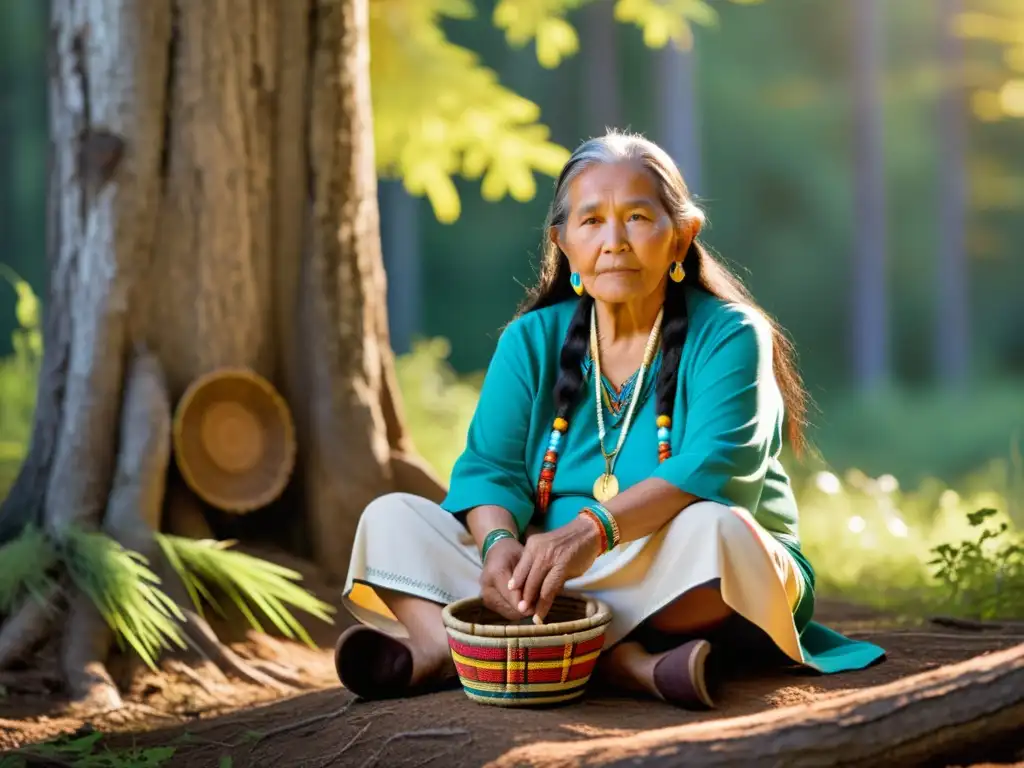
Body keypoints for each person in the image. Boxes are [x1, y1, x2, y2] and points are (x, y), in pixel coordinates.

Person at [334, 130, 885, 709]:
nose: (614, 241)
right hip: (542, 574)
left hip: (678, 576)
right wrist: (499, 546)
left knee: (719, 533)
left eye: (638, 218)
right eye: (592, 221)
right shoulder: (531, 339)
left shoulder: (731, 333)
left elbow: (715, 462)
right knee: (390, 518)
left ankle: (515, 646)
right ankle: (475, 649)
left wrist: (587, 534)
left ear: (681, 237)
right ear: (563, 243)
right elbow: (491, 469)